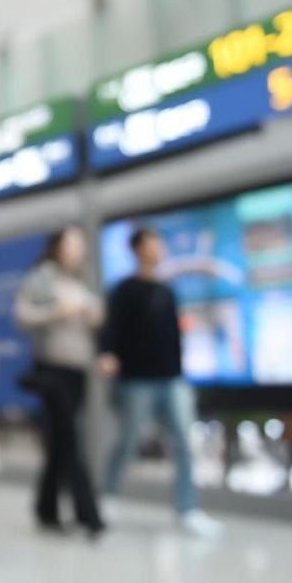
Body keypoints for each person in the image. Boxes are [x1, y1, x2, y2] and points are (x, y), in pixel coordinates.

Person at [98, 227, 223, 537]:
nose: (158, 249)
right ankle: (108, 496)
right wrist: (108, 354)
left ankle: (187, 509)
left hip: (171, 379)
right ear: (138, 249)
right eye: (152, 244)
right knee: (128, 440)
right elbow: (110, 329)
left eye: (160, 244)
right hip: (136, 380)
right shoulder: (124, 290)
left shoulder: (167, 291)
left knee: (183, 443)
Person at [14, 228, 105, 535]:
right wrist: (57, 311)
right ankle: (88, 514)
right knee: (70, 438)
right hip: (53, 370)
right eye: (73, 244)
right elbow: (23, 315)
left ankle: (46, 508)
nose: (78, 250)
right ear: (57, 248)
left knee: (58, 444)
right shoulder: (43, 278)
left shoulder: (80, 281)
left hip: (78, 370)